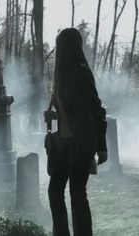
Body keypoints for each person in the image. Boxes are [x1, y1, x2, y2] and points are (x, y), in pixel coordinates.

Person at [44, 28, 108, 236]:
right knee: (55, 192)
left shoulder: (80, 72)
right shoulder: (60, 77)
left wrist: (102, 147)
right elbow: (70, 110)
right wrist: (54, 116)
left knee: (77, 193)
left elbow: (97, 110)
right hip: (63, 143)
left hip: (81, 143)